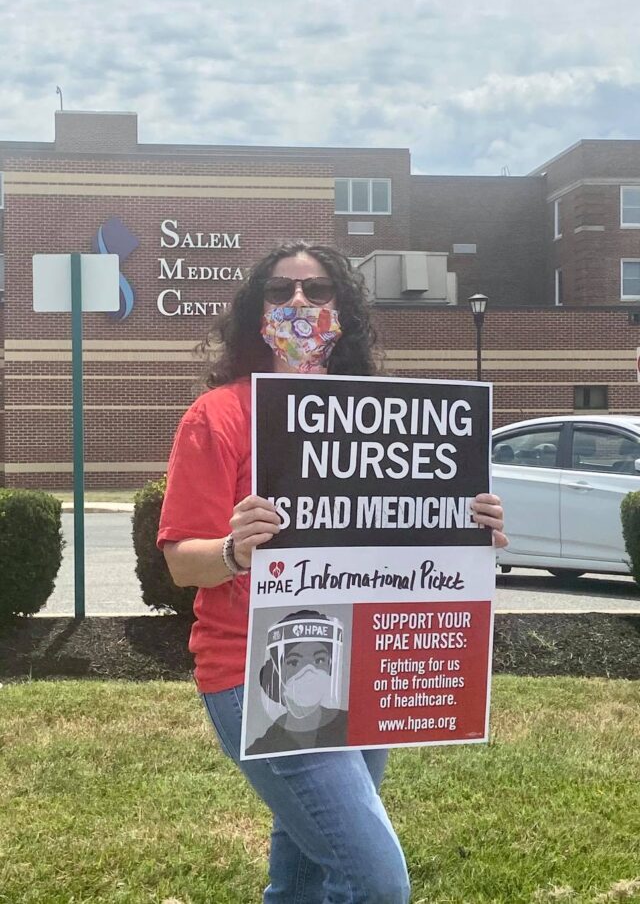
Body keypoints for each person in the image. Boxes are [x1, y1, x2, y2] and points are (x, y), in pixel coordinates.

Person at [157, 240, 507, 904]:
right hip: (258, 673)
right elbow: (180, 564)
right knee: (375, 880)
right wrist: (232, 550)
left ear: (341, 311)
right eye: (280, 291)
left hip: (363, 667)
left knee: (308, 870)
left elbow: (397, 537)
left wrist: (468, 529)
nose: (298, 303)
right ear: (254, 311)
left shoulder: (380, 422)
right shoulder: (219, 417)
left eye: (316, 292)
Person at [247, 608, 348, 756]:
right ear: (276, 671)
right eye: (294, 662)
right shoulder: (265, 745)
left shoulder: (350, 725)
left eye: (319, 660)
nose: (308, 671)